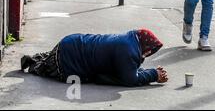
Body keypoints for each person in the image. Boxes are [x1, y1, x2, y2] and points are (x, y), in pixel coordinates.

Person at [21, 29, 169, 87]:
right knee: (46, 67)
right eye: (149, 50)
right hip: (70, 59)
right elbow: (130, 79)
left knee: (48, 60)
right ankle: (32, 63)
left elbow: (125, 69)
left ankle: (36, 61)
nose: (148, 54)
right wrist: (153, 75)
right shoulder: (128, 51)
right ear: (144, 45)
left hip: (72, 42)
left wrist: (149, 72)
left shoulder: (130, 40)